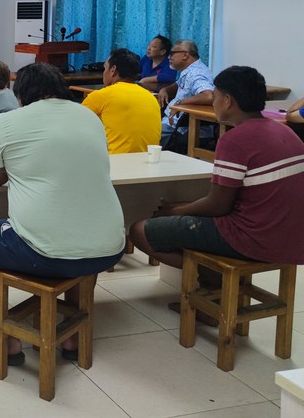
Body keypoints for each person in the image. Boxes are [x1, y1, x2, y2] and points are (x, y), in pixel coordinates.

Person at [0, 63, 125, 365]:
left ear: (21, 95)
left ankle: (4, 338)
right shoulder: (89, 116)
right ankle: (71, 336)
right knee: (82, 247)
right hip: (109, 247)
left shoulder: (10, 121)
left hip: (43, 251)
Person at [129, 66, 304, 318]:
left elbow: (219, 206)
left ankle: (213, 289)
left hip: (254, 238)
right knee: (188, 211)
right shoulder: (283, 130)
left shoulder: (235, 139)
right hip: (292, 235)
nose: (214, 102)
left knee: (140, 230)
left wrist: (174, 210)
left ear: (228, 100)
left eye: (215, 97)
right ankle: (216, 290)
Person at [81, 48, 161, 153]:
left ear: (113, 70)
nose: (104, 73)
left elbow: (74, 124)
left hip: (115, 162)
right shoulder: (150, 97)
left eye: (105, 69)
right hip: (148, 162)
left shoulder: (102, 95)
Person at [157, 39, 214, 148]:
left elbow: (208, 96)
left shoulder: (196, 73)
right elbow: (179, 84)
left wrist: (180, 103)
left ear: (185, 55)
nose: (169, 57)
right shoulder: (190, 70)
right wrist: (165, 90)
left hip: (181, 128)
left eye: (172, 54)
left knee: (141, 136)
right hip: (172, 123)